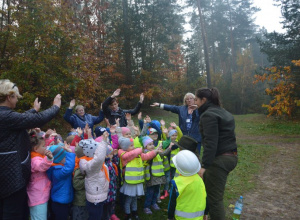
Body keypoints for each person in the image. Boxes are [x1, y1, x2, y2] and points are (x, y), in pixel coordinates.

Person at [0, 79, 61, 219]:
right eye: (15, 97)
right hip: (11, 178)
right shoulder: (6, 116)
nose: (16, 100)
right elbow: (35, 119)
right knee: (13, 213)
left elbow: (21, 118)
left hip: (5, 174)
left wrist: (33, 110)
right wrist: (55, 107)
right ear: (9, 97)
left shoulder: (6, 116)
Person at [195, 87, 238, 220]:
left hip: (219, 160)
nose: (195, 103)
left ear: (204, 100)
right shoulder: (223, 112)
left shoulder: (208, 115)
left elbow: (211, 143)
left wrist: (204, 166)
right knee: (213, 194)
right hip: (231, 156)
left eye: (196, 99)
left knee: (215, 200)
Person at [118, 137, 157, 220]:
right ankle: (127, 214)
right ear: (125, 148)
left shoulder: (136, 153)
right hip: (129, 182)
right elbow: (129, 155)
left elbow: (146, 156)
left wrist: (155, 151)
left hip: (137, 181)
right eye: (131, 146)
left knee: (134, 198)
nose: (134, 147)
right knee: (128, 200)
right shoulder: (123, 154)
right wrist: (140, 149)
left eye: (133, 145)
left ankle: (134, 212)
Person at [79, 133, 111, 220]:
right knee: (95, 217)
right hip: (96, 198)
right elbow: (99, 158)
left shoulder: (88, 161)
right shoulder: (92, 165)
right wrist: (103, 142)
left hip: (97, 195)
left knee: (96, 216)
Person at [167, 150, 206, 220]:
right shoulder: (200, 180)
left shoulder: (176, 183)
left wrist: (170, 217)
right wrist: (205, 213)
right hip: (198, 217)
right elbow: (205, 197)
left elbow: (172, 203)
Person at [27, 131, 53, 220]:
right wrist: (49, 158)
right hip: (37, 197)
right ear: (35, 148)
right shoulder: (34, 160)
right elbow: (41, 166)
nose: (45, 147)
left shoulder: (38, 156)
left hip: (40, 194)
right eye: (43, 146)